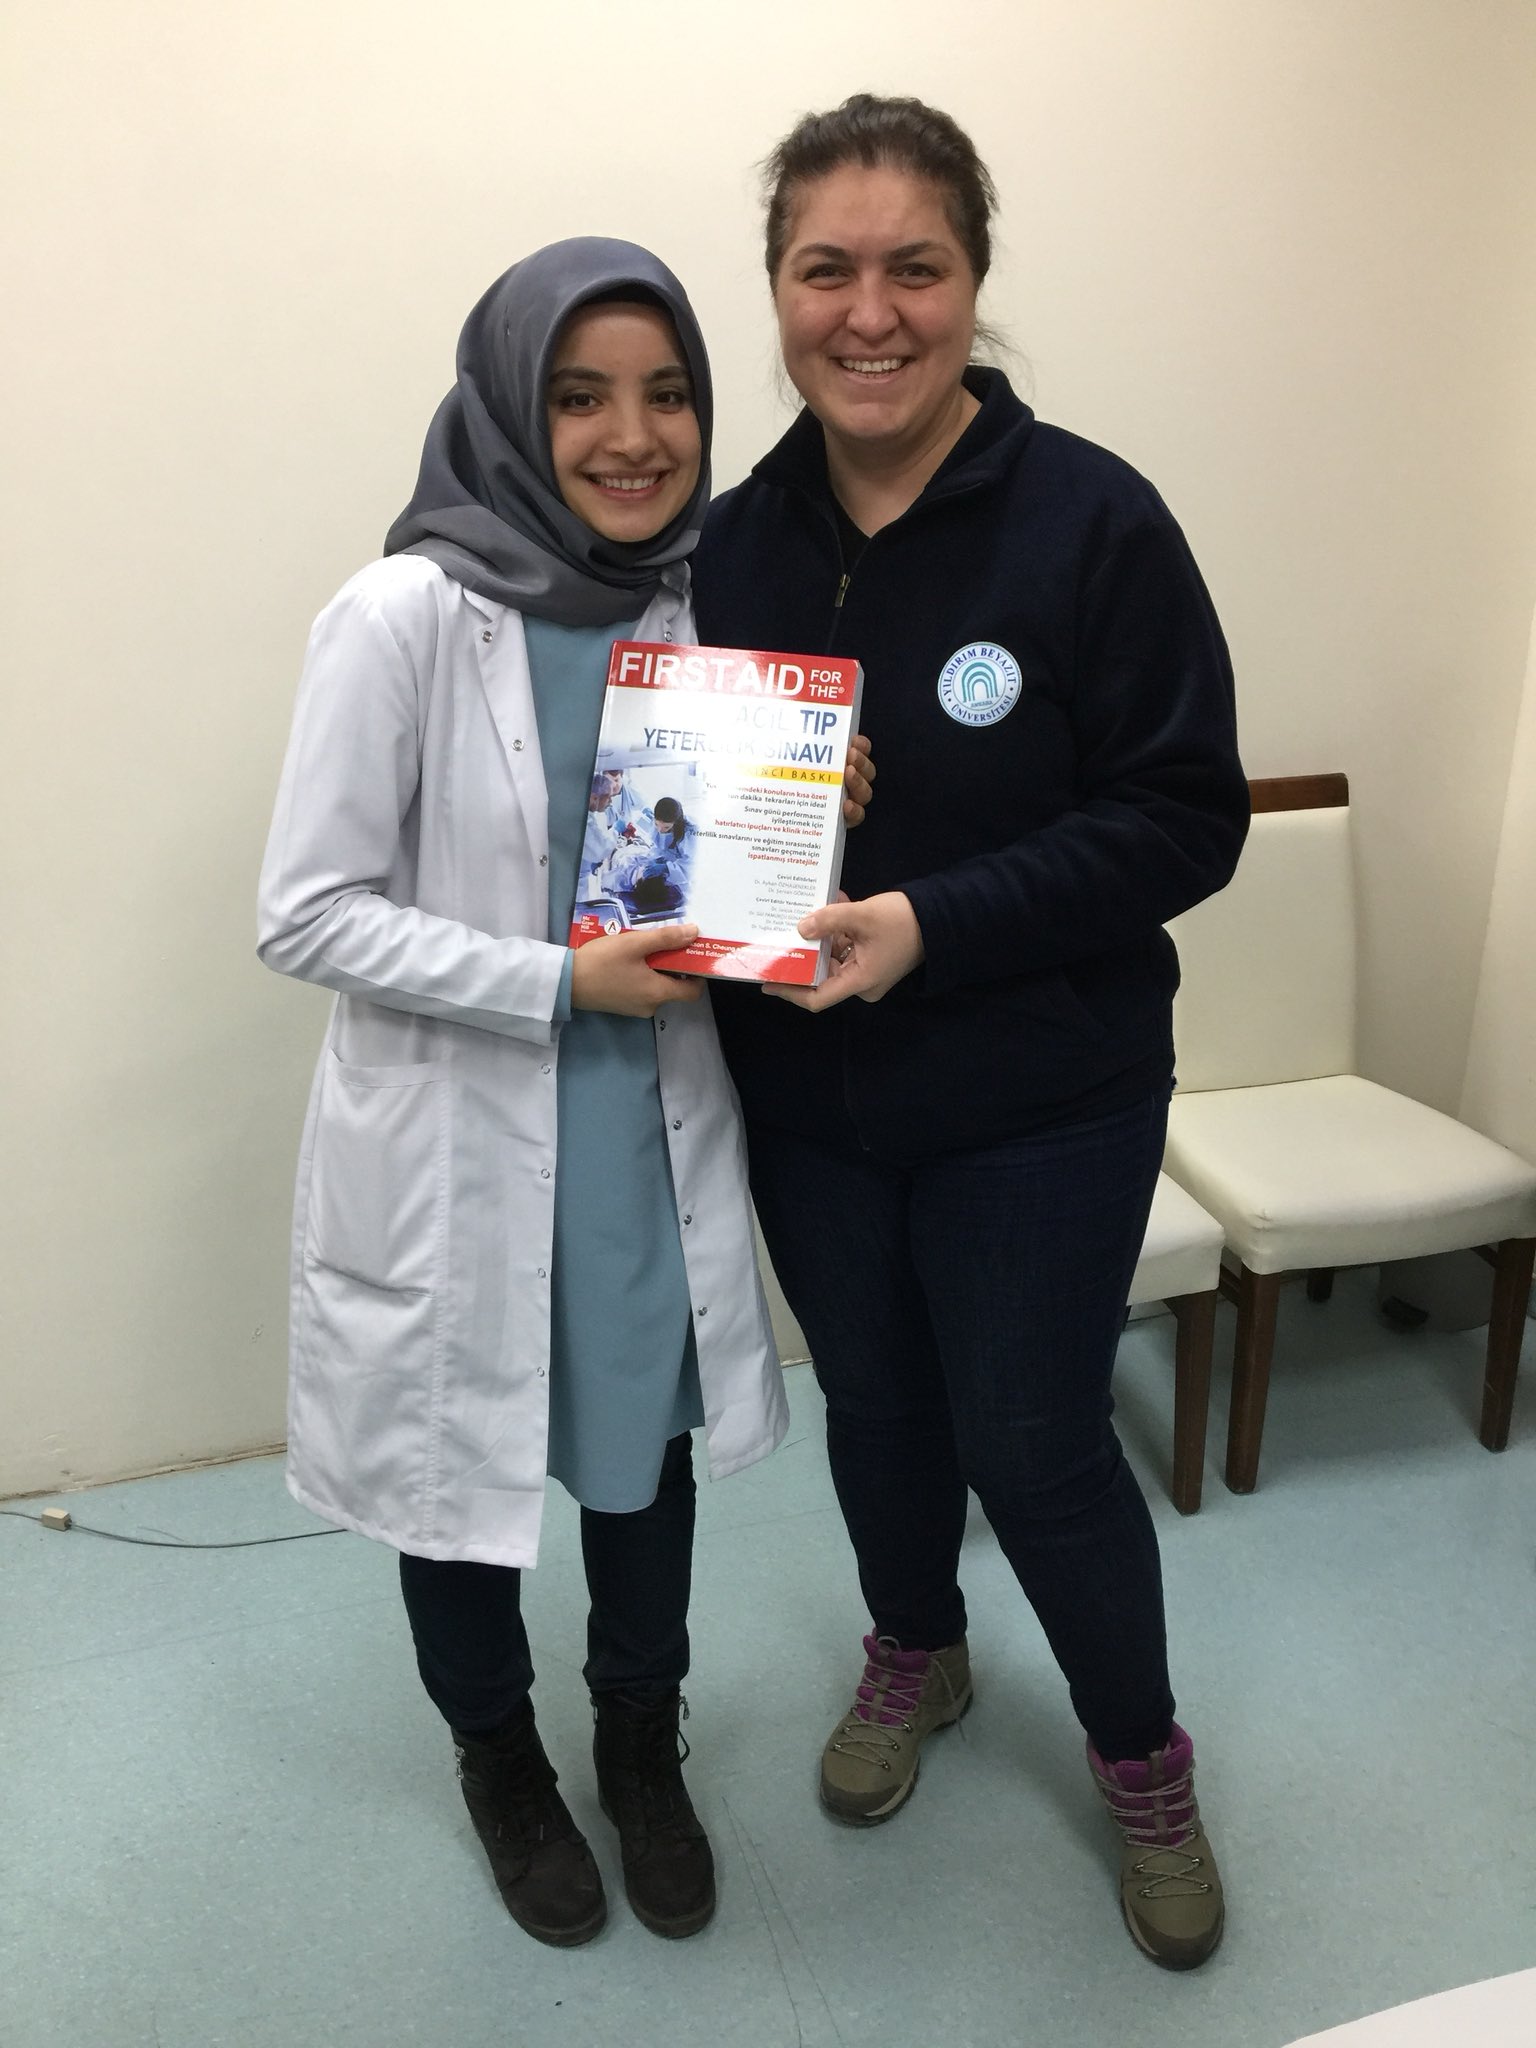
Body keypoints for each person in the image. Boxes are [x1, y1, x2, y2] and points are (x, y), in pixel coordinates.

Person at [257, 240, 870, 1949]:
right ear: (510, 413)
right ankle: (502, 1765)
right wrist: (549, 981)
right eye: (581, 396)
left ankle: (638, 1749)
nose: (634, 434)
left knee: (638, 1467)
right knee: (454, 1480)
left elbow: (696, 885)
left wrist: (812, 819)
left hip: (638, 1135)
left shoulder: (685, 610)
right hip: (458, 1138)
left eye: (668, 393)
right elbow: (303, 913)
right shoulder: (399, 616)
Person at [693, 95, 1249, 1972]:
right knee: (879, 1409)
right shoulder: (727, 545)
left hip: (1043, 1098)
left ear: (975, 281)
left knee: (1037, 1437)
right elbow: (685, 822)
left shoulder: (1093, 519)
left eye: (913, 269)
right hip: (810, 1099)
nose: (870, 314)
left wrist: (933, 919)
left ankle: (1141, 1756)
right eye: (825, 270)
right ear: (778, 291)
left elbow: (1186, 816)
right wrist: (747, 830)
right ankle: (915, 1648)